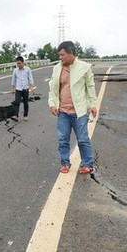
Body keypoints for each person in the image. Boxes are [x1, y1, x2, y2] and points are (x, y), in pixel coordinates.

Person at [48, 41, 98, 174]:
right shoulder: (57, 68)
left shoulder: (84, 67)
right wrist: (52, 103)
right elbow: (52, 88)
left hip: (79, 111)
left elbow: (90, 87)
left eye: (62, 55)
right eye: (59, 55)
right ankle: (65, 163)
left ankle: (87, 164)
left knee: (82, 139)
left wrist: (93, 104)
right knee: (62, 139)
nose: (60, 58)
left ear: (71, 53)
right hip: (62, 111)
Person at [10, 56, 35, 122]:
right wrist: (12, 88)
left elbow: (30, 78)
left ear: (23, 63)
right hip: (18, 89)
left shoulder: (27, 69)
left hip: (25, 89)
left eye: (20, 63)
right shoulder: (15, 70)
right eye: (17, 64)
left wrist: (32, 86)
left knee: (25, 103)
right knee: (17, 102)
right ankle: (15, 115)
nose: (19, 65)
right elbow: (13, 80)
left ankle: (25, 115)